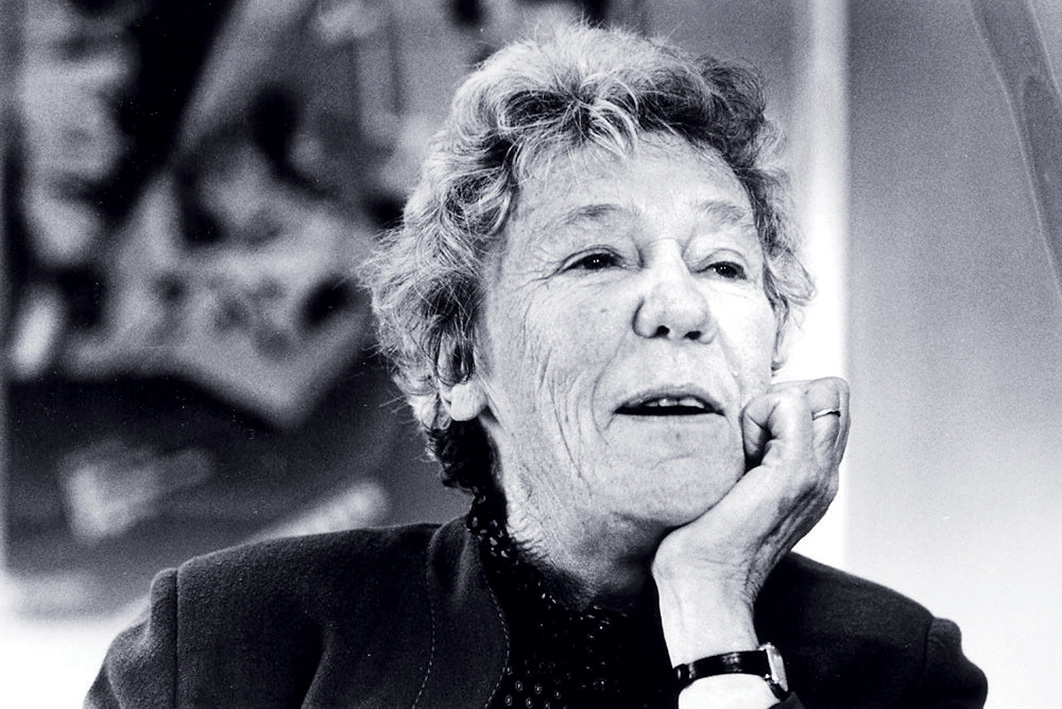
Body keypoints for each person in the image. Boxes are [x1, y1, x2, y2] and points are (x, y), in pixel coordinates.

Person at [86, 24, 988, 708]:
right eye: (597, 257)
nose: (681, 308)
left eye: (723, 265)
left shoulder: (899, 671)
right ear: (458, 361)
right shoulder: (225, 650)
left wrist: (714, 614)